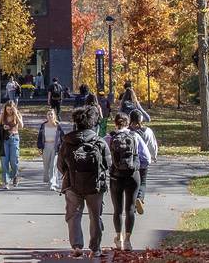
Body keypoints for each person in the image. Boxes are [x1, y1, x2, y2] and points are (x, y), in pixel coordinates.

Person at [57, 105, 110, 259]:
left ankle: (77, 246)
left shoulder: (67, 142)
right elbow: (108, 164)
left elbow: (61, 165)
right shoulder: (99, 142)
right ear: (92, 123)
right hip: (95, 185)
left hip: (73, 184)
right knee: (95, 217)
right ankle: (96, 248)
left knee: (73, 216)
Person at [106, 112, 150, 251]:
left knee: (117, 210)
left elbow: (102, 155)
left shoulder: (109, 137)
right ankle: (128, 241)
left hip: (116, 176)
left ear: (115, 123)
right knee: (130, 209)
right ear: (128, 123)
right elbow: (147, 158)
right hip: (133, 175)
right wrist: (138, 166)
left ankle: (118, 238)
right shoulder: (135, 136)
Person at [129, 109, 159, 214]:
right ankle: (140, 198)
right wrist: (154, 156)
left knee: (131, 183)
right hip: (143, 162)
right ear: (141, 119)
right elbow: (152, 145)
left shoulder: (127, 132)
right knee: (142, 182)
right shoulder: (147, 131)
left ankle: (131, 202)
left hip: (130, 162)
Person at [0, 100, 23, 188]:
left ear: (14, 108)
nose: (9, 111)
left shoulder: (17, 114)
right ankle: (6, 182)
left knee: (14, 161)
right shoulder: (3, 115)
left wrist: (16, 114)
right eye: (8, 109)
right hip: (4, 140)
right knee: (4, 161)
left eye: (11, 109)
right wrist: (3, 127)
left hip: (14, 138)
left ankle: (15, 176)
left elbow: (22, 125)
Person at [36, 107, 64, 190]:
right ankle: (50, 180)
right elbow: (40, 137)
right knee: (46, 165)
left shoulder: (58, 126)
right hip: (46, 146)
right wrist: (40, 147)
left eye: (51, 114)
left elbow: (63, 137)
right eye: (48, 114)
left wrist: (62, 147)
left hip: (55, 147)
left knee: (53, 165)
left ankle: (52, 183)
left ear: (54, 115)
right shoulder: (43, 125)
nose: (50, 115)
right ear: (46, 116)